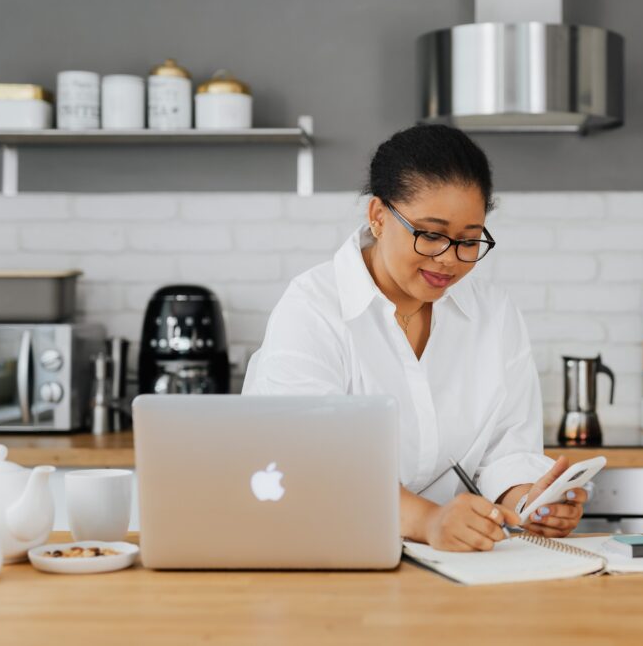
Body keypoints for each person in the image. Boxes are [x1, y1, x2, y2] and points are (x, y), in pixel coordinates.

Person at [243, 124, 586, 551]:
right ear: (378, 216)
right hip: (325, 557)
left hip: (453, 566)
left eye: (468, 240)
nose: (448, 260)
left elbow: (507, 448)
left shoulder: (494, 314)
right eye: (430, 234)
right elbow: (308, 462)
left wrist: (530, 499)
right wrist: (427, 520)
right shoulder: (312, 309)